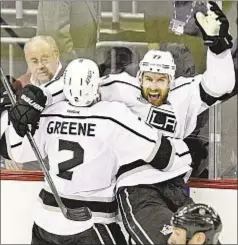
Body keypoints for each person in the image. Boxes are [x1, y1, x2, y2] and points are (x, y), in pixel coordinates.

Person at [4, 2, 235, 244]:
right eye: (149, 79)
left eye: (161, 80)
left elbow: (221, 86)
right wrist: (41, 97)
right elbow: (80, 81)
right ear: (139, 77)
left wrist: (218, 49)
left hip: (175, 181)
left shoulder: (184, 93)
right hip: (136, 185)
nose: (154, 86)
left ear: (172, 80)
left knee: (202, 237)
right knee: (168, 240)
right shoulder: (119, 88)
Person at [1, 59, 192, 244]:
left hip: (45, 223)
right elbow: (162, 156)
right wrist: (183, 151)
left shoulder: (48, 112)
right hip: (92, 222)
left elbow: (11, 151)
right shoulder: (113, 116)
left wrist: (11, 118)